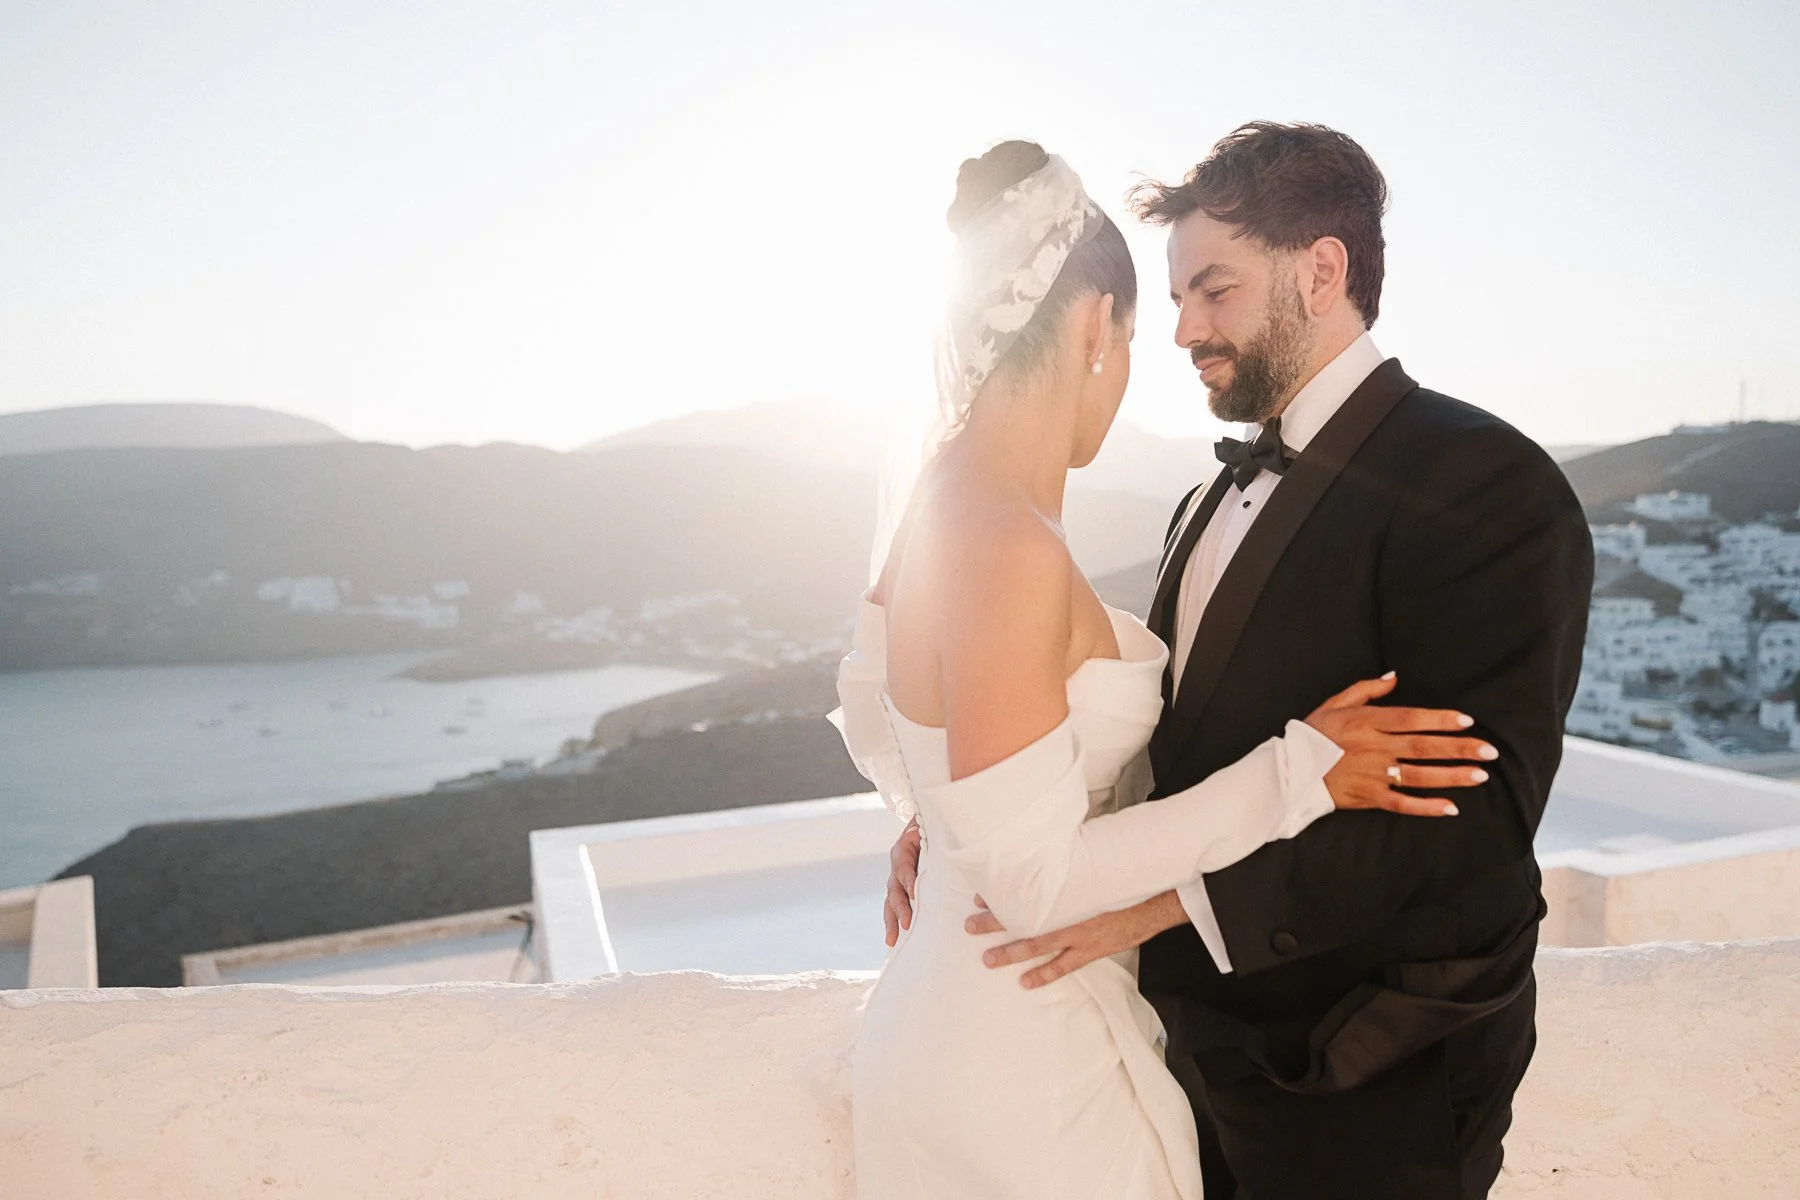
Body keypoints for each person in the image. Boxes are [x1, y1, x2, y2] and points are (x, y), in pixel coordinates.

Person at [833, 139, 1499, 1200]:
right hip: (1030, 1056)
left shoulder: (933, 513)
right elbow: (1035, 881)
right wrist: (1303, 770)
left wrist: (947, 813)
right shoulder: (1007, 540)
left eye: (1214, 290)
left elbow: (893, 712)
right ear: (1099, 325)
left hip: (939, 1026)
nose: (1181, 337)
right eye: (1158, 317)